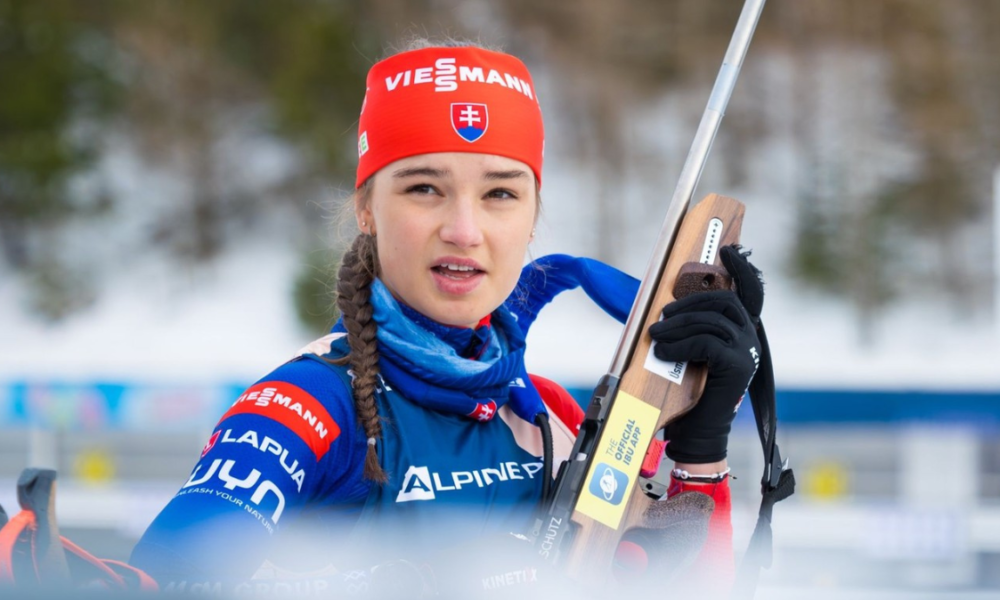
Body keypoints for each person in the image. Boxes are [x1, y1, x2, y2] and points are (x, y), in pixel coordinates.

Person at [128, 40, 764, 598]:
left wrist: (699, 448)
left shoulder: (547, 418)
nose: (464, 230)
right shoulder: (305, 406)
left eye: (500, 194)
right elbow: (168, 575)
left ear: (532, 216)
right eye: (424, 188)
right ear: (367, 209)